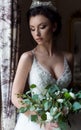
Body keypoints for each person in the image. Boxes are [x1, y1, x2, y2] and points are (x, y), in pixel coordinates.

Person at [11, 0, 73, 130]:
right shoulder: (28, 57)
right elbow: (15, 97)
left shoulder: (68, 57)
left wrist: (65, 110)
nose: (36, 34)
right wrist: (42, 121)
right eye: (32, 29)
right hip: (36, 122)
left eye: (42, 27)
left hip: (64, 121)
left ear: (54, 26)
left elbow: (70, 93)